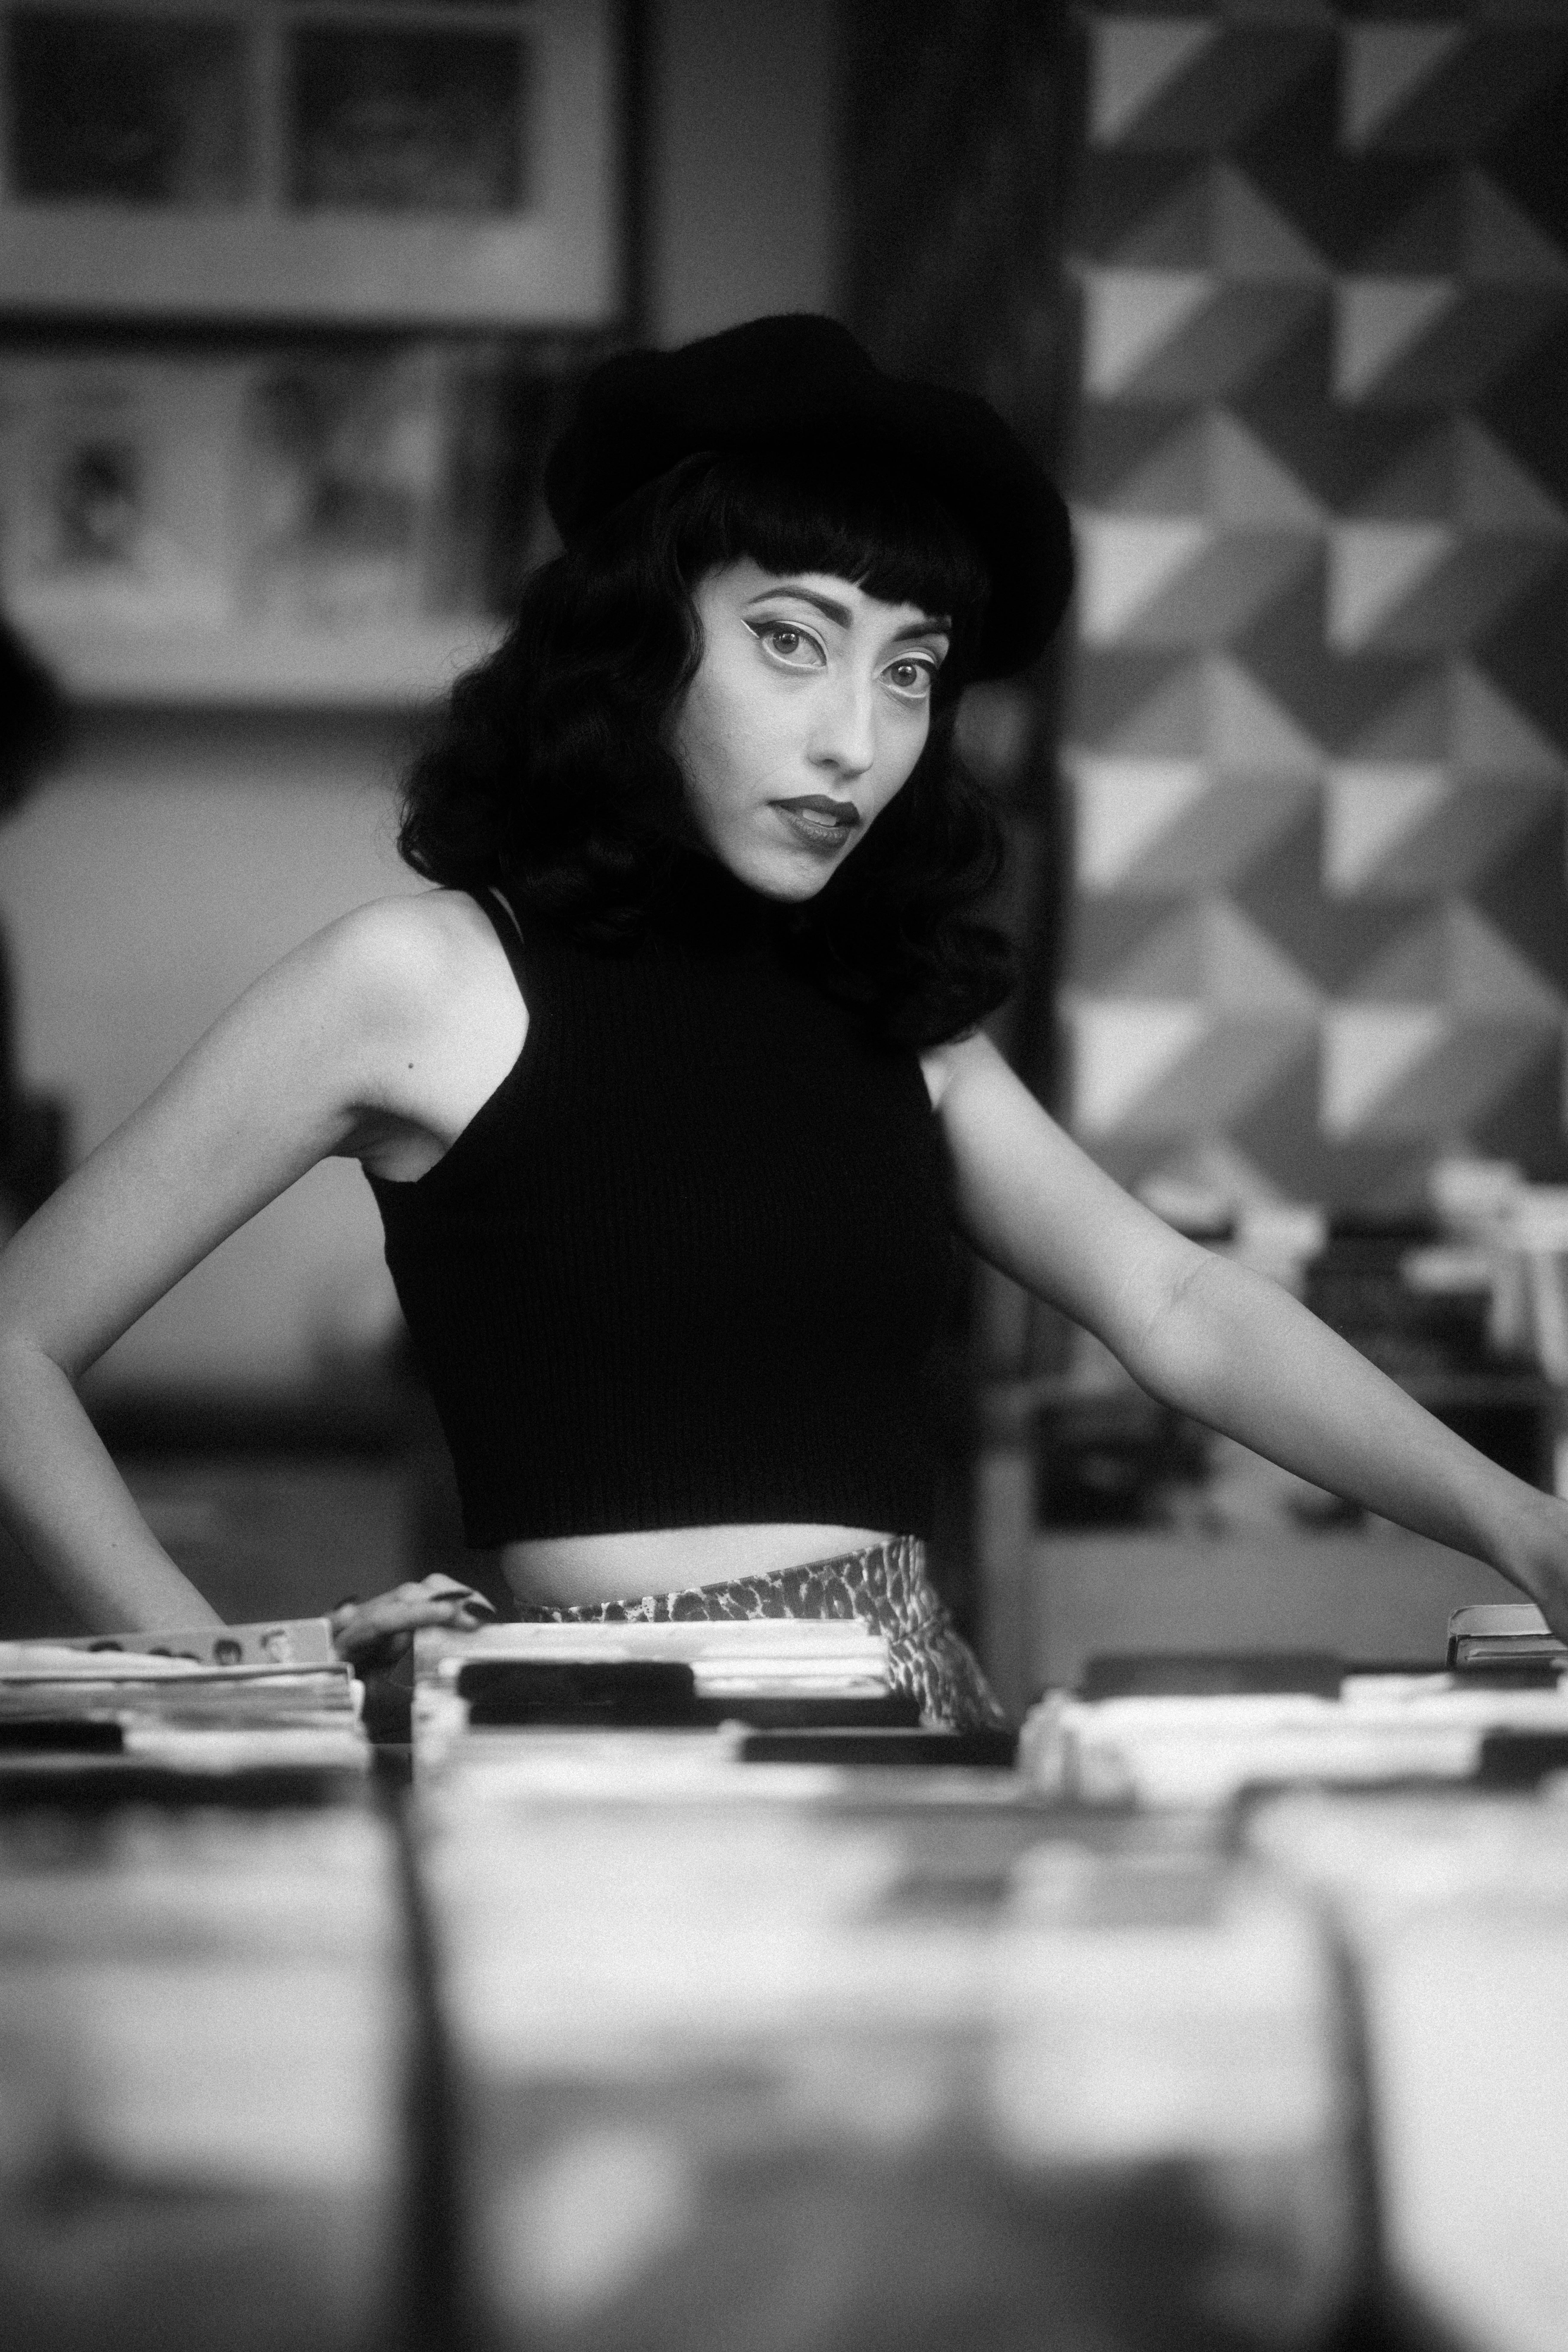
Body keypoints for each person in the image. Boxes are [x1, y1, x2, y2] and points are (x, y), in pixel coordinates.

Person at [1, 315, 1567, 1726]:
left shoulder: (894, 1015)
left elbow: (1170, 1302)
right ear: (641, 639)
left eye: (909, 673)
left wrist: (1519, 1521)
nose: (854, 740)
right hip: (600, 1767)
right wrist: (214, 1669)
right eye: (791, 640)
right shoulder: (416, 980)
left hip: (922, 1722)